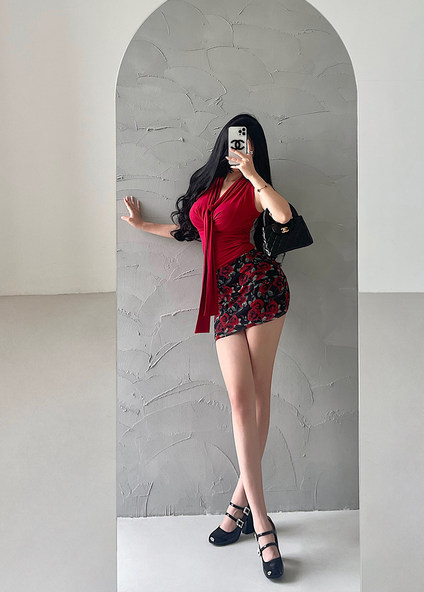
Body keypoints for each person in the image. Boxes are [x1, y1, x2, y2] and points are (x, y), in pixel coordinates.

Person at [121, 113, 292, 580]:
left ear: (255, 148)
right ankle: (243, 507)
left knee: (257, 396)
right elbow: (189, 231)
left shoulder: (254, 187)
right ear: (224, 142)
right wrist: (143, 225)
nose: (241, 147)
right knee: (239, 400)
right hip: (224, 296)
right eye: (237, 140)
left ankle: (258, 522)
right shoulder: (206, 185)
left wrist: (253, 174)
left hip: (259, 286)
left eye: (249, 142)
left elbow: (283, 216)